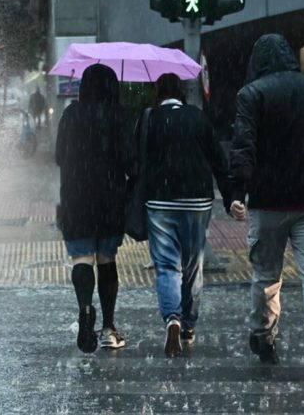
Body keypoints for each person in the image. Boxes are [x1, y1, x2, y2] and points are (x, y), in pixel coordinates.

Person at [228, 34, 304, 379]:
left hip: (267, 201)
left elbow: (243, 146)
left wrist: (237, 191)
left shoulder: (251, 94)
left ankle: (264, 336)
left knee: (267, 275)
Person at [138, 73, 230, 358]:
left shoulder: (149, 118)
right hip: (197, 199)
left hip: (160, 200)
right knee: (192, 265)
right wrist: (231, 196)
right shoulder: (197, 117)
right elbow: (217, 159)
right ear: (182, 92)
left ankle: (172, 319)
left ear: (158, 93)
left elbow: (137, 158)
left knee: (166, 265)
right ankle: (189, 325)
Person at [56, 64, 129, 353]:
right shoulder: (119, 115)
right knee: (106, 258)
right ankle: (109, 327)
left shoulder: (71, 114)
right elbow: (129, 159)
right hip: (110, 197)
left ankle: (86, 307)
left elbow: (59, 156)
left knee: (81, 258)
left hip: (76, 197)